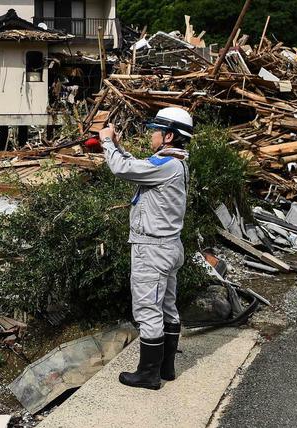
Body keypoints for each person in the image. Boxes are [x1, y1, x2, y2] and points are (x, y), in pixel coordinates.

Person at [98, 107, 192, 389]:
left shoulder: (167, 165)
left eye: (156, 130)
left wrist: (105, 142)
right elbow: (137, 165)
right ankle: (166, 368)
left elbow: (122, 169)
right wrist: (117, 146)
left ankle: (148, 374)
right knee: (166, 307)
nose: (151, 134)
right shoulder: (170, 162)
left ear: (169, 136)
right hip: (169, 246)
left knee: (148, 310)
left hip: (152, 249)